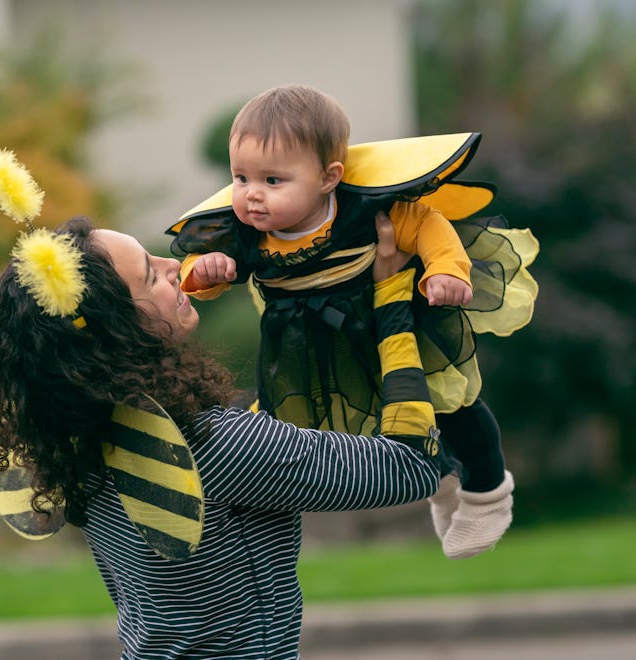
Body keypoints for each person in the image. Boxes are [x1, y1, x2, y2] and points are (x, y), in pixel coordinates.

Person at [0, 207, 455, 659]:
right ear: (117, 332)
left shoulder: (76, 442)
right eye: (149, 275)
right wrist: (392, 301)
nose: (172, 265)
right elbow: (411, 466)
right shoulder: (214, 447)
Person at [167, 84, 539, 559]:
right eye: (241, 178)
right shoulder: (243, 232)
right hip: (314, 350)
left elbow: (426, 224)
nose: (252, 194)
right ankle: (442, 478)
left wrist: (446, 270)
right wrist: (204, 272)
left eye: (273, 180)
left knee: (450, 403)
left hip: (393, 322)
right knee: (365, 424)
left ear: (329, 178)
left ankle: (487, 493)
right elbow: (204, 269)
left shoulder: (363, 210)